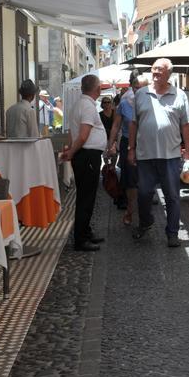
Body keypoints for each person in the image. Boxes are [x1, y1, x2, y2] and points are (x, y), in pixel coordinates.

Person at [128, 58, 189, 247]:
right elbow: (133, 124)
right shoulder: (140, 94)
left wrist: (188, 153)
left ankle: (172, 233)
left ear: (168, 74)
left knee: (172, 196)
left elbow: (186, 126)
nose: (155, 73)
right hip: (145, 154)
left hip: (170, 155)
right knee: (144, 193)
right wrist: (131, 149)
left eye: (159, 70)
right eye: (153, 69)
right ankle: (146, 221)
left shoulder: (179, 95)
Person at [61, 75, 106, 252]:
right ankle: (80, 239)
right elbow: (83, 135)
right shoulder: (87, 106)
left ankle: (85, 232)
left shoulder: (80, 104)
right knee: (86, 198)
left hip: (85, 155)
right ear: (97, 90)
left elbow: (75, 134)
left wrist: (71, 150)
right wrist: (71, 152)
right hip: (87, 156)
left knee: (86, 196)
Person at [108, 72, 151, 224]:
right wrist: (110, 144)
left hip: (147, 143)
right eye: (135, 87)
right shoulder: (124, 104)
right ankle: (130, 210)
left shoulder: (153, 103)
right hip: (128, 143)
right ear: (131, 88)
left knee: (146, 180)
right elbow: (115, 126)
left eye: (141, 88)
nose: (138, 91)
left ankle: (143, 211)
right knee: (131, 181)